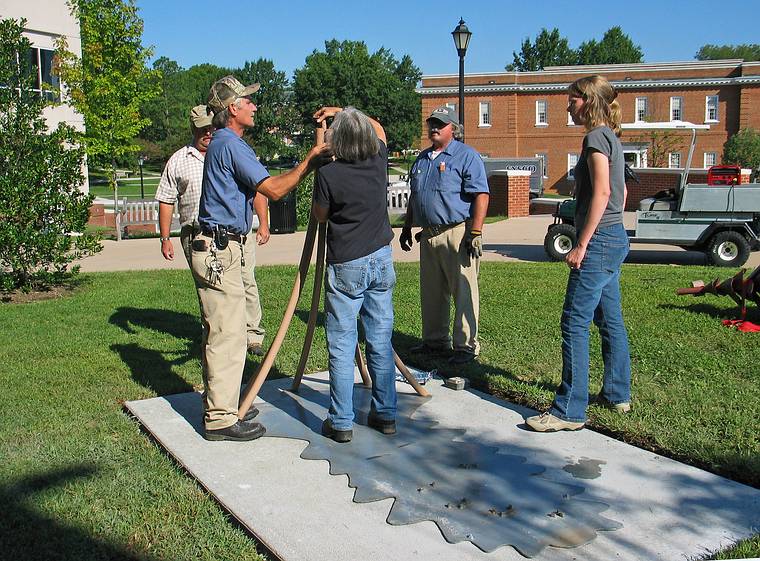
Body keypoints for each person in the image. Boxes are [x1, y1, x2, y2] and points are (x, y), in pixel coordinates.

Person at [194, 75, 328, 442]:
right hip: (220, 248)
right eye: (248, 102)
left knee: (230, 331)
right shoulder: (231, 145)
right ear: (232, 108)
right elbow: (274, 189)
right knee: (226, 333)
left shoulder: (226, 143)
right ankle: (220, 419)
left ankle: (223, 401)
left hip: (224, 246)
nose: (254, 106)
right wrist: (310, 161)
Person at [527, 75, 632, 433]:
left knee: (574, 321)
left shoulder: (595, 137)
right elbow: (622, 195)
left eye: (571, 101)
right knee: (609, 318)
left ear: (587, 101)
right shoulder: (611, 137)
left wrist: (582, 243)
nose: (567, 107)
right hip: (614, 236)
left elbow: (602, 193)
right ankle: (618, 394)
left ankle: (569, 410)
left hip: (600, 241)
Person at [311, 106, 397, 443]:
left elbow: (320, 216)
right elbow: (380, 129)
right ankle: (386, 413)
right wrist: (347, 111)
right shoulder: (378, 161)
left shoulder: (330, 174)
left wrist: (336, 116)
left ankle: (341, 421)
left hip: (347, 263)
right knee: (380, 340)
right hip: (381, 259)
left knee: (343, 344)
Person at [156, 105, 269, 356]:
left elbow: (260, 187)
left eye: (211, 128)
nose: (208, 133)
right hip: (196, 234)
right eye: (202, 130)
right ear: (192, 130)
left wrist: (263, 222)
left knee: (246, 281)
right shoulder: (179, 160)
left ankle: (251, 335)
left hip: (233, 234)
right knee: (210, 289)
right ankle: (215, 335)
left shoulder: (232, 150)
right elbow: (166, 199)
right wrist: (165, 238)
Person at [399, 106, 490, 365]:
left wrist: (475, 232)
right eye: (432, 123)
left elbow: (481, 195)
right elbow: (414, 196)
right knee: (432, 292)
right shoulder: (422, 159)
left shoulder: (466, 156)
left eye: (441, 123)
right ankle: (435, 342)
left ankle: (465, 346)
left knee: (463, 290)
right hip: (428, 235)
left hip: (457, 233)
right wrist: (408, 226)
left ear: (454, 129)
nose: (434, 128)